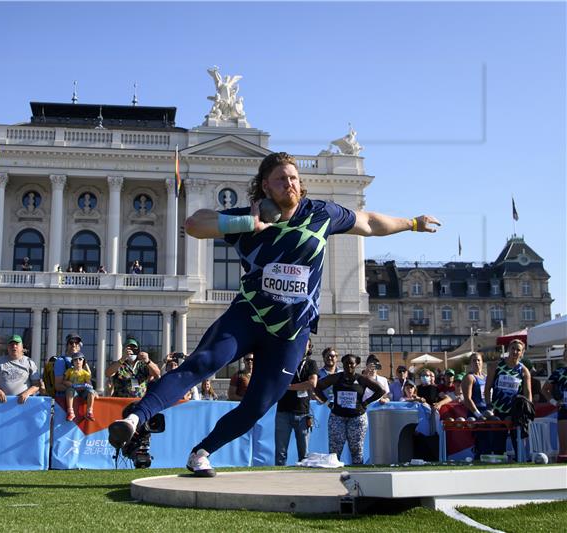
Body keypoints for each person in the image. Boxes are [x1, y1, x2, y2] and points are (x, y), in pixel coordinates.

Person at [107, 151, 440, 476]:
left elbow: (368, 223)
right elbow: (194, 223)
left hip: (292, 332)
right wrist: (247, 221)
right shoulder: (249, 219)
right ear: (266, 186)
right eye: (281, 180)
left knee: (257, 406)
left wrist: (412, 223)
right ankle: (135, 418)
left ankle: (201, 452)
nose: (290, 184)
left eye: (294, 178)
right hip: (248, 316)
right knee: (202, 363)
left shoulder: (321, 213)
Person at [315, 354, 385, 465]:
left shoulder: (362, 379)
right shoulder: (337, 377)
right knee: (334, 451)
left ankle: (358, 476)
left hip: (357, 418)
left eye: (351, 363)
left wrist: (366, 402)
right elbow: (317, 387)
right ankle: (332, 476)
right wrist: (327, 402)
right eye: (346, 363)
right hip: (337, 417)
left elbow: (381, 390)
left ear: (356, 364)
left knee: (356, 449)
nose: (348, 365)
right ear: (342, 364)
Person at [485, 339, 531, 460]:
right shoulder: (496, 366)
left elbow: (528, 394)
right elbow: (487, 389)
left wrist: (525, 413)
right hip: (498, 411)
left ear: (522, 353)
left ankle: (520, 467)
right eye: (513, 349)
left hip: (516, 413)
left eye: (518, 350)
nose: (515, 352)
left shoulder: (524, 370)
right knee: (498, 446)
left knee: (519, 445)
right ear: (508, 350)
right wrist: (489, 405)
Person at [274, 340, 318, 465]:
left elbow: (312, 383)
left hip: (302, 412)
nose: (302, 346)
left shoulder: (311, 364)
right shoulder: (285, 362)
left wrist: (288, 386)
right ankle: (278, 478)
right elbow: (277, 381)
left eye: (305, 344)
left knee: (303, 453)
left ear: (309, 347)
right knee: (280, 452)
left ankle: (303, 479)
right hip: (283, 411)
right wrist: (299, 386)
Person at [0, 335, 40, 404]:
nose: (14, 346)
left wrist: (27, 393)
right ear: (8, 348)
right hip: (2, 404)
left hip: (24, 405)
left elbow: (37, 384)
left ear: (22, 347)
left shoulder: (29, 362)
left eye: (16, 344)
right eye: (11, 344)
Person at [461, 352, 490, 458]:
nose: (476, 362)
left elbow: (488, 396)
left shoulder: (486, 377)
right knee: (481, 439)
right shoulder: (469, 377)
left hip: (487, 412)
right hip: (475, 413)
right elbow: (467, 399)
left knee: (490, 438)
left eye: (478, 360)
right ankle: (478, 457)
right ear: (470, 363)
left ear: (482, 363)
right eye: (474, 360)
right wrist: (478, 414)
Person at [542, 348, 567, 460]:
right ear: (564, 357)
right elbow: (544, 390)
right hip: (564, 411)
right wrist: (554, 402)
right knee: (564, 448)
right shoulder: (559, 372)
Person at [49, 333, 84, 397]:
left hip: (79, 401)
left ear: (79, 346)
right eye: (71, 343)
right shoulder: (61, 361)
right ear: (67, 345)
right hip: (63, 402)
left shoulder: (82, 361)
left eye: (76, 343)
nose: (74, 345)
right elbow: (58, 386)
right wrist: (75, 390)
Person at [64, 354, 96, 421]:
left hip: (83, 392)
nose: (78, 361)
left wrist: (87, 385)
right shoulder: (69, 371)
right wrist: (70, 384)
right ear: (72, 361)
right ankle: (70, 411)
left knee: (91, 392)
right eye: (75, 359)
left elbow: (89, 384)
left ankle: (89, 411)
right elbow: (64, 381)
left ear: (83, 361)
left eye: (80, 359)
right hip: (73, 391)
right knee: (69, 391)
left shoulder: (85, 373)